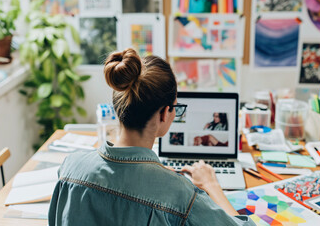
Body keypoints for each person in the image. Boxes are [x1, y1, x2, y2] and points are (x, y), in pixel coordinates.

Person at [48, 48, 255, 225]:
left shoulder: (70, 168)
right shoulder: (180, 194)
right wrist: (211, 185)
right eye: (176, 108)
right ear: (164, 113)